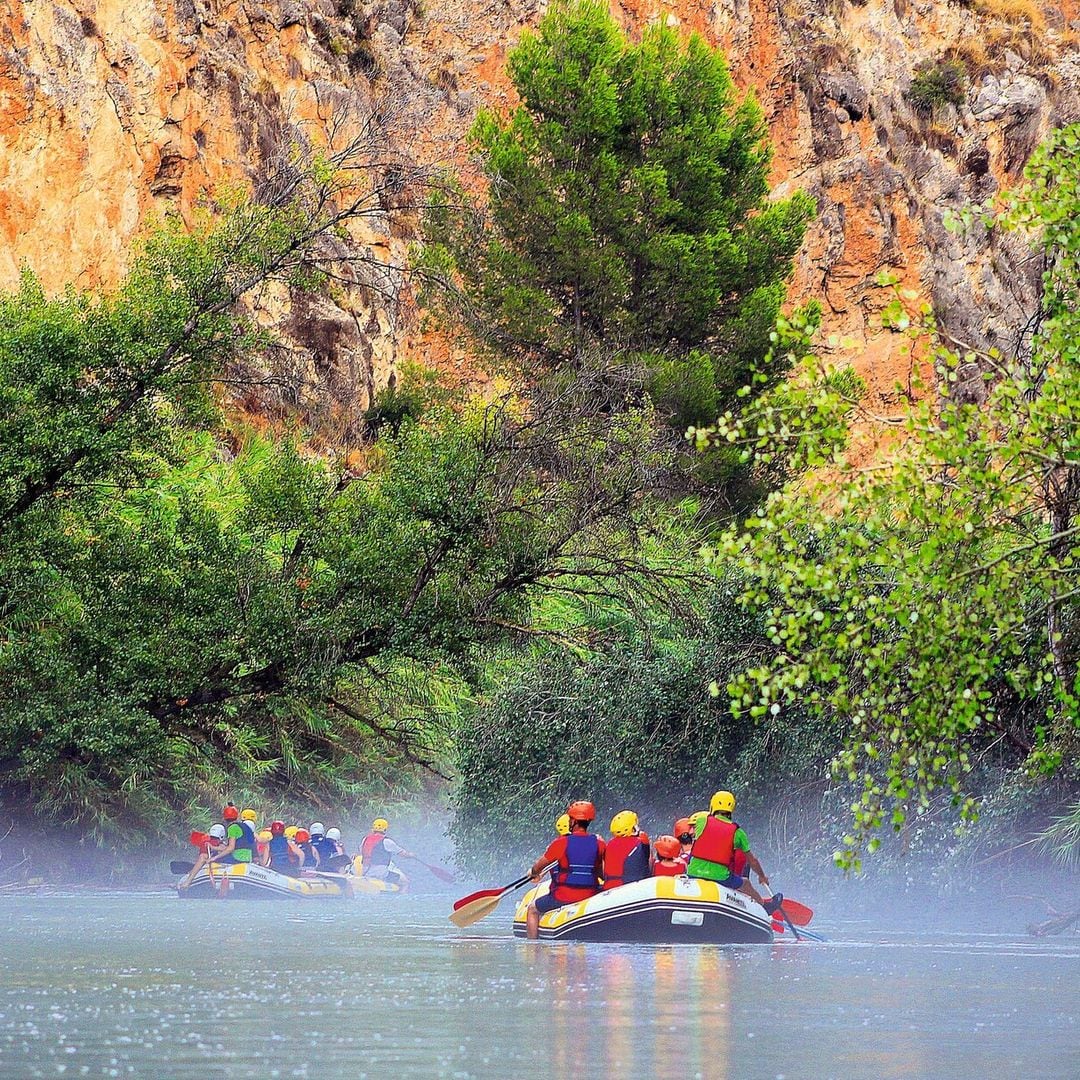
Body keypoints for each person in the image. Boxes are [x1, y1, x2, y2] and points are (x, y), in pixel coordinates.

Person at [686, 790, 781, 913]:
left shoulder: (701, 821)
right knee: (745, 883)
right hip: (720, 877)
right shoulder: (738, 833)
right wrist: (762, 876)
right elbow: (752, 861)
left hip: (693, 872)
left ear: (712, 805)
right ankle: (765, 907)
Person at [525, 800, 605, 940]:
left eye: (570, 819)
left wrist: (533, 872)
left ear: (574, 821)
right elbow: (600, 873)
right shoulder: (599, 843)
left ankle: (532, 948)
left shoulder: (561, 843)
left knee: (532, 909)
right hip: (590, 895)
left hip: (563, 896)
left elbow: (539, 866)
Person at [602, 810, 652, 890]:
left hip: (608, 890)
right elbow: (648, 864)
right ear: (632, 828)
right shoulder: (641, 842)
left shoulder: (609, 844)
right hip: (630, 890)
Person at [359, 818, 413, 889]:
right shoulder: (387, 841)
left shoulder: (365, 839)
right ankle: (402, 898)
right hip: (381, 873)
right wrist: (410, 855)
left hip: (365, 872)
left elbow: (361, 851)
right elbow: (403, 854)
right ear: (385, 829)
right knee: (405, 882)